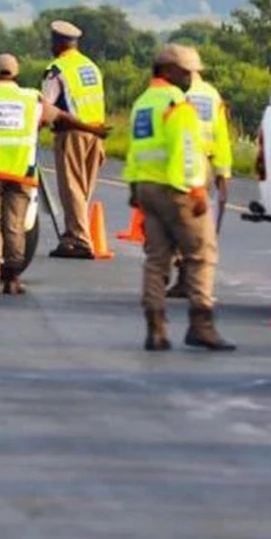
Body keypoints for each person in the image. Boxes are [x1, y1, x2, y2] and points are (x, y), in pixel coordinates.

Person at [0, 54, 107, 295]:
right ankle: (12, 278)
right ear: (16, 76)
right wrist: (92, 129)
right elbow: (62, 117)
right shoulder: (31, 100)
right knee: (15, 225)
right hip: (21, 173)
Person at [124, 44, 235, 352]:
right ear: (169, 71)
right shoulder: (177, 104)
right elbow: (186, 150)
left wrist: (134, 189)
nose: (191, 77)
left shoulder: (142, 103)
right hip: (177, 190)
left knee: (156, 259)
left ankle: (156, 328)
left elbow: (136, 150)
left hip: (147, 188)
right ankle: (202, 325)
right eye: (186, 72)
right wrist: (197, 189)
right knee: (202, 254)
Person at [166, 65, 233, 298]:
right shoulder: (211, 95)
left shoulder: (171, 94)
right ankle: (190, 279)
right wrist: (223, 174)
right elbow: (221, 138)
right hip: (202, 165)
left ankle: (186, 278)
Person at [43, 20, 107, 259]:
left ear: (58, 43)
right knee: (83, 189)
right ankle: (72, 236)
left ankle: (80, 241)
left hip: (71, 133)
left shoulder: (57, 69)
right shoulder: (90, 67)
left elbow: (47, 107)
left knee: (71, 188)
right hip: (96, 133)